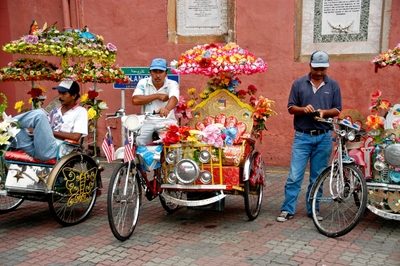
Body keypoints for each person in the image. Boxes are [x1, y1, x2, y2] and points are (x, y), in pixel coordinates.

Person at [276, 51, 342, 222]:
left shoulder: (333, 85)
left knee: (317, 177)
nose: (319, 72)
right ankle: (287, 209)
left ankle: (313, 209)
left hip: (324, 137)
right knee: (294, 176)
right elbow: (291, 108)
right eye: (316, 68)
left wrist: (324, 112)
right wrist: (303, 109)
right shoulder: (299, 84)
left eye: (322, 69)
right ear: (310, 65)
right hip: (302, 137)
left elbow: (337, 109)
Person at [13, 80, 88, 161]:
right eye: (59, 93)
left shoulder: (81, 111)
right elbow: (43, 127)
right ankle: (8, 124)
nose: (60, 96)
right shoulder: (55, 110)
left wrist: (47, 132)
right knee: (14, 128)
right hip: (38, 147)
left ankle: (8, 122)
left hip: (55, 150)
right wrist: (38, 133)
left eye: (64, 93)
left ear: (73, 95)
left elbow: (76, 137)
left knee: (40, 114)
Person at [131, 58, 179, 145]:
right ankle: (142, 158)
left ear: (166, 73)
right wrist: (157, 96)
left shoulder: (172, 84)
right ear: (150, 72)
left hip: (167, 121)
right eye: (155, 72)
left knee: (174, 141)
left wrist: (166, 109)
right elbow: (135, 100)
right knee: (138, 141)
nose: (157, 75)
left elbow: (174, 98)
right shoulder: (143, 83)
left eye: (160, 72)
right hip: (147, 121)